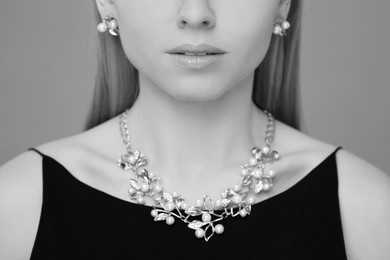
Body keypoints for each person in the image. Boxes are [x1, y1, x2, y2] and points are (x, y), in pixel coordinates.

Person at [1, 0, 389, 259]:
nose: (196, 13)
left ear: (284, 2)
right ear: (106, 0)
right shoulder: (16, 207)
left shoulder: (368, 210)